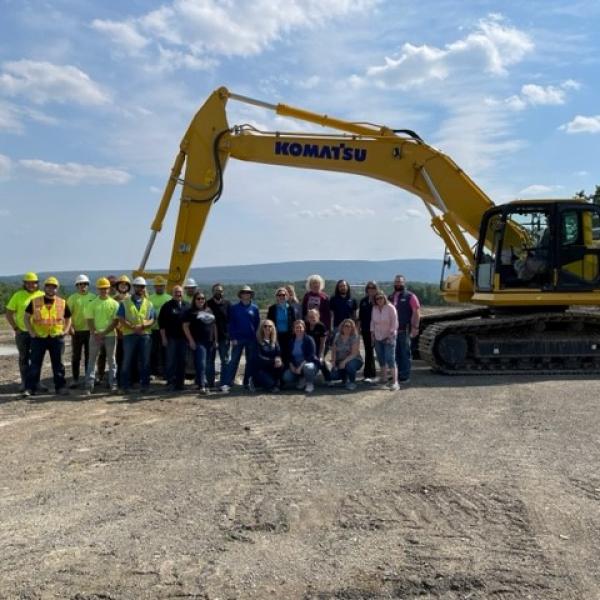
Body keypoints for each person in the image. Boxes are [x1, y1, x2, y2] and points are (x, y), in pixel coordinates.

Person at [22, 277, 71, 397]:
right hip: (39, 338)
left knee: (58, 364)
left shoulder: (62, 302)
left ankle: (60, 387)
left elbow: (68, 318)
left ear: (57, 289)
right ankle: (30, 388)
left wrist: (65, 330)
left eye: (53, 287)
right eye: (48, 286)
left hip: (56, 338)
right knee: (34, 364)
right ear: (44, 288)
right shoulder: (35, 301)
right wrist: (31, 332)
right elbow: (26, 318)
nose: (51, 289)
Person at [5, 272, 44, 392]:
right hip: (22, 332)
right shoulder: (18, 295)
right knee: (24, 358)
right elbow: (9, 313)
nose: (31, 285)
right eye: (29, 283)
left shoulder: (42, 295)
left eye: (34, 283)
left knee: (37, 358)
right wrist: (15, 328)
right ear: (25, 284)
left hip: (38, 333)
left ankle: (37, 382)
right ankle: (25, 382)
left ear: (37, 283)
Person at [117, 276, 155, 393]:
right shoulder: (125, 303)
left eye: (142, 286)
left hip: (145, 335)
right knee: (127, 361)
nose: (140, 288)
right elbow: (121, 318)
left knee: (145, 362)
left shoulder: (149, 304)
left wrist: (142, 326)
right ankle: (124, 386)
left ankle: (145, 386)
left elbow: (152, 319)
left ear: (145, 288)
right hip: (129, 335)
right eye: (138, 286)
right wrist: (133, 327)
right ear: (134, 287)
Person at [220, 285, 260, 393]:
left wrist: (255, 336)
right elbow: (231, 324)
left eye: (248, 293)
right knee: (233, 361)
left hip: (251, 339)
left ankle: (247, 383)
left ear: (250, 295)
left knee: (250, 361)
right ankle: (228, 383)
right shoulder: (234, 308)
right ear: (240, 295)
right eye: (244, 292)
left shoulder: (255, 308)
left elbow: (257, 324)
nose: (246, 294)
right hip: (238, 339)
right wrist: (232, 337)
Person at [84, 278, 119, 395]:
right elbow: (89, 319)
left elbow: (115, 322)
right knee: (92, 360)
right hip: (95, 336)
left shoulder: (114, 304)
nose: (104, 290)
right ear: (98, 289)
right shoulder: (92, 303)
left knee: (111, 360)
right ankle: (89, 385)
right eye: (101, 288)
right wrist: (94, 333)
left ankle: (112, 383)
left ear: (109, 289)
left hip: (110, 335)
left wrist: (103, 333)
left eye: (106, 288)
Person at [388, 274, 421, 383]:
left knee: (404, 353)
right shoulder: (390, 297)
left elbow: (416, 312)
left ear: (404, 283)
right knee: (394, 354)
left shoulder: (410, 296)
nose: (398, 283)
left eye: (400, 282)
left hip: (404, 330)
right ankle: (396, 375)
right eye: (396, 281)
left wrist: (415, 327)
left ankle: (405, 376)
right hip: (393, 331)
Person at [182, 291, 216, 393]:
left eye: (202, 298)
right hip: (198, 341)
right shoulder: (190, 312)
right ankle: (202, 386)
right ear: (194, 300)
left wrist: (216, 340)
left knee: (209, 363)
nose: (201, 300)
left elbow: (214, 326)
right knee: (201, 364)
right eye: (198, 298)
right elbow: (185, 326)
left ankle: (205, 383)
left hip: (210, 341)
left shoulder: (209, 310)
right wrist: (191, 340)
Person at [67, 274, 96, 388]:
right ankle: (75, 379)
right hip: (77, 331)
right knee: (76, 356)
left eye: (84, 284)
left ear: (87, 285)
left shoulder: (93, 297)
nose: (82, 286)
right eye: (80, 284)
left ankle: (88, 378)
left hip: (90, 331)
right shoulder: (72, 298)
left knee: (90, 356)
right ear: (76, 286)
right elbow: (67, 315)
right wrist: (70, 327)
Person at [158, 285, 189, 391]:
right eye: (176, 292)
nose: (178, 294)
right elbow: (161, 324)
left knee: (182, 361)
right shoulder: (166, 306)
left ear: (183, 293)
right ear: (172, 293)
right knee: (170, 360)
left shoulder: (187, 306)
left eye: (180, 292)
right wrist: (163, 338)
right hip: (171, 338)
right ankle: (170, 382)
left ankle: (180, 383)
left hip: (184, 339)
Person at [370, 291, 399, 390]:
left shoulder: (390, 308)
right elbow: (372, 322)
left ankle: (395, 382)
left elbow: (394, 323)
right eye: (377, 298)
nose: (379, 300)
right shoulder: (374, 308)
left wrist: (390, 335)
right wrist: (372, 333)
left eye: (381, 298)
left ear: (384, 298)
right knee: (381, 358)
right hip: (378, 337)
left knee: (390, 358)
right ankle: (384, 378)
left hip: (389, 337)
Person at [282, 320, 320, 393]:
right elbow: (288, 356)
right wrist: (291, 365)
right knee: (286, 376)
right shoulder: (291, 341)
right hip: (296, 365)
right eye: (296, 327)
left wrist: (300, 367)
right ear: (293, 329)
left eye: (300, 327)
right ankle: (302, 378)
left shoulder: (309, 339)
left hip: (308, 363)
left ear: (304, 328)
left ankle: (310, 383)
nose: (298, 329)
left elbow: (311, 355)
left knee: (308, 367)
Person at [207, 283, 231, 388]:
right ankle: (210, 383)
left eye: (220, 290)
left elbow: (231, 321)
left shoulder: (228, 304)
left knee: (225, 361)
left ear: (223, 292)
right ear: (213, 292)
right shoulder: (207, 304)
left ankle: (224, 383)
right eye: (216, 290)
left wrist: (230, 335)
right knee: (209, 361)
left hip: (224, 337)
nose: (219, 292)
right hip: (210, 337)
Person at [329, 318, 363, 390]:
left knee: (350, 366)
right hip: (340, 360)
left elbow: (354, 354)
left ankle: (352, 382)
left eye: (349, 326)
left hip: (354, 359)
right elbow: (334, 351)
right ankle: (345, 378)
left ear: (352, 328)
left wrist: (344, 362)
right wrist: (334, 362)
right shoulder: (337, 336)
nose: (347, 327)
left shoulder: (355, 337)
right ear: (342, 326)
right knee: (333, 376)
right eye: (345, 325)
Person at [149, 275, 171, 378]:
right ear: (154, 287)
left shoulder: (169, 298)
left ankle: (166, 371)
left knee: (165, 351)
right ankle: (153, 371)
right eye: (157, 286)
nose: (159, 287)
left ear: (164, 286)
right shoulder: (149, 299)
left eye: (161, 286)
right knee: (152, 351)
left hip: (165, 330)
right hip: (152, 329)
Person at [267, 287, 295, 366]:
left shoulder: (291, 308)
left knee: (287, 355)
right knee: (277, 354)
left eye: (284, 295)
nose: (282, 297)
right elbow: (268, 322)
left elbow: (294, 322)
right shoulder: (272, 309)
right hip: (276, 335)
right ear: (276, 297)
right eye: (279, 295)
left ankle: (285, 375)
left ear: (287, 296)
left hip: (288, 336)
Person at [253, 319, 284, 392]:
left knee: (281, 365)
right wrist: (273, 361)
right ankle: (258, 382)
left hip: (272, 367)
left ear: (272, 328)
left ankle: (274, 383)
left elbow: (278, 353)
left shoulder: (274, 341)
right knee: (271, 384)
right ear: (262, 328)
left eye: (270, 326)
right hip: (261, 369)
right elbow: (258, 357)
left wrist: (278, 359)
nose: (267, 328)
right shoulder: (257, 341)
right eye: (265, 326)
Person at [358, 281, 378, 382]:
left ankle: (381, 373)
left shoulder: (379, 300)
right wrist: (358, 329)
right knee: (369, 351)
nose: (371, 290)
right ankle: (368, 374)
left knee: (380, 352)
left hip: (378, 330)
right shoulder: (363, 301)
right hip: (366, 330)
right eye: (369, 288)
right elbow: (360, 317)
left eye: (373, 288)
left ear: (376, 289)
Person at [305, 308, 330, 381]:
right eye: (310, 316)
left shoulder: (321, 326)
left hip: (321, 347)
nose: (311, 318)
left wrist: (321, 355)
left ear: (318, 316)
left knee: (320, 360)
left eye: (313, 316)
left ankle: (328, 379)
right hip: (310, 348)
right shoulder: (306, 325)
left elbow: (323, 343)